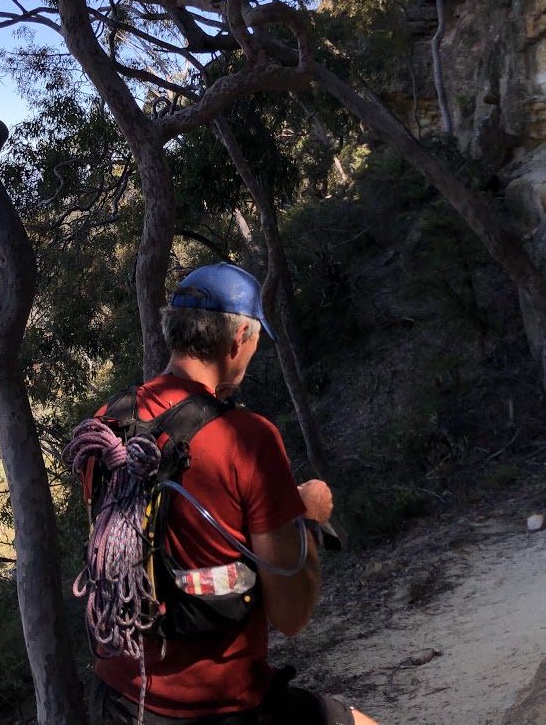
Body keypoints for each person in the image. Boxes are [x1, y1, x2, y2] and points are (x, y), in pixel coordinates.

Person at [84, 263, 378, 725]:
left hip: (120, 699)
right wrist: (309, 518)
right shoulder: (246, 438)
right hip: (218, 708)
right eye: (256, 341)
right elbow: (291, 614)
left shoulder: (109, 422)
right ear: (239, 336)